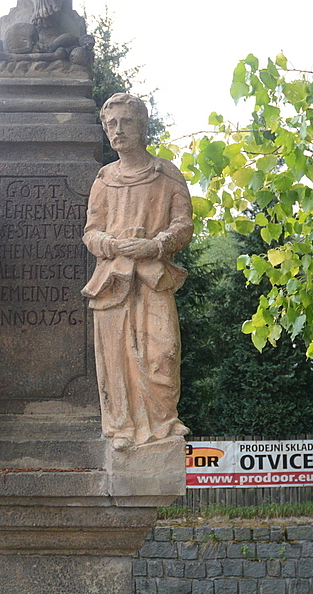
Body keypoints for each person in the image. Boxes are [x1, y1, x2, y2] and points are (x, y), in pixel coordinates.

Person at [82, 93, 193, 451]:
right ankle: (122, 427)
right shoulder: (104, 180)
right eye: (111, 124)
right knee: (116, 357)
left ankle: (164, 422)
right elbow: (91, 232)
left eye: (126, 122)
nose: (117, 130)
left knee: (164, 351)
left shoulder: (166, 175)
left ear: (142, 125)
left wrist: (156, 246)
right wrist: (112, 245)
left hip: (153, 277)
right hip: (113, 281)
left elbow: (183, 225)